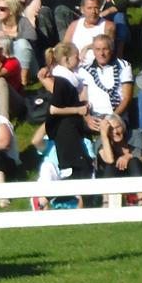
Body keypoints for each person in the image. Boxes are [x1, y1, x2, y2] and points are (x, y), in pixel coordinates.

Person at [45, 42, 94, 180]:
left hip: (70, 128)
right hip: (64, 130)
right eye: (76, 57)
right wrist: (78, 109)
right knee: (77, 168)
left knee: (82, 166)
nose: (79, 60)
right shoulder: (62, 82)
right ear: (66, 59)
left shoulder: (66, 81)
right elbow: (54, 109)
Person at [80, 35, 134, 125]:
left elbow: (127, 98)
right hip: (94, 116)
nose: (101, 53)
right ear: (93, 51)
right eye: (97, 49)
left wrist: (111, 118)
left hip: (116, 115)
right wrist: (88, 118)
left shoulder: (124, 66)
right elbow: (83, 98)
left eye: (105, 49)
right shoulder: (85, 70)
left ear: (111, 50)